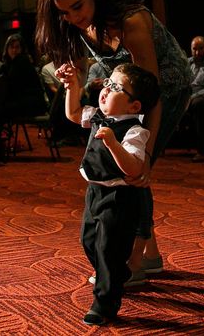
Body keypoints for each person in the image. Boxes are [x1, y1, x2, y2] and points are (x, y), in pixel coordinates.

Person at [35, 0, 191, 282]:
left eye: (77, 6)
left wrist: (144, 154)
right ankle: (150, 256)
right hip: (124, 89)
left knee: (134, 173)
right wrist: (73, 78)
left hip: (166, 89)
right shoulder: (81, 23)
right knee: (129, 172)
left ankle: (131, 263)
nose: (74, 17)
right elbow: (92, 75)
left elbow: (153, 93)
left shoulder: (130, 22)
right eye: (64, 12)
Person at [59, 62, 160, 326]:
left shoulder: (135, 132)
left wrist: (114, 144)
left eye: (116, 87)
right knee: (89, 241)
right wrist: (72, 86)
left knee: (107, 248)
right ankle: (117, 272)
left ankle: (104, 303)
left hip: (119, 198)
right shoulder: (97, 116)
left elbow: (134, 168)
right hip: (94, 192)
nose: (106, 89)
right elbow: (72, 113)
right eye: (108, 82)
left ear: (134, 107)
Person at [0, 33, 46, 117]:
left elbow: (12, 85)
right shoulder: (9, 64)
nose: (14, 50)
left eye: (17, 47)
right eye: (11, 47)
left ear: (22, 49)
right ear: (7, 49)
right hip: (26, 101)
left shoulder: (22, 61)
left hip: (33, 104)